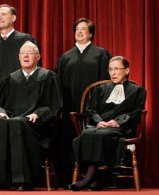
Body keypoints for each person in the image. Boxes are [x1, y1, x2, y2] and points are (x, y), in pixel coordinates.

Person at [0, 41, 62, 191]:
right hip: (11, 121)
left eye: (30, 53)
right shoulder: (10, 79)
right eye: (23, 53)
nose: (25, 55)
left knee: (18, 122)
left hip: (36, 125)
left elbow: (54, 104)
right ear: (18, 57)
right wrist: (0, 112)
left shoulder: (47, 76)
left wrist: (38, 113)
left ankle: (24, 180)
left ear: (38, 56)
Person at [68, 56, 146, 191]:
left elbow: (137, 111)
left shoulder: (137, 91)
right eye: (110, 69)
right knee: (87, 133)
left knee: (103, 135)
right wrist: (99, 121)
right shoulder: (101, 89)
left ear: (126, 71)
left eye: (117, 69)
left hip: (121, 128)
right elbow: (90, 109)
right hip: (100, 126)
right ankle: (98, 177)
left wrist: (118, 121)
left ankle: (89, 177)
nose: (113, 73)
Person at [55, 18, 111, 187]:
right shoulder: (65, 57)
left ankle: (94, 178)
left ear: (91, 33)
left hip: (92, 109)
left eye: (84, 29)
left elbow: (105, 83)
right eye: (77, 29)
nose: (79, 32)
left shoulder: (100, 54)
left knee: (92, 141)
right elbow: (58, 83)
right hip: (69, 108)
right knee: (68, 141)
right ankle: (68, 179)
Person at [0, 4, 36, 106]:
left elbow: (34, 69)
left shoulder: (25, 40)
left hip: (20, 98)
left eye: (3, 14)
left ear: (13, 18)